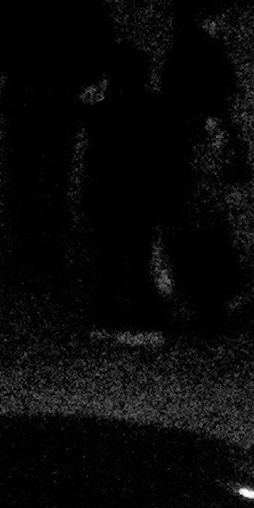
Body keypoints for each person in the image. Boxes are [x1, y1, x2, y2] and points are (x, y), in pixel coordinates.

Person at [0, 0, 111, 274]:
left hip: (24, 94)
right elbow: (101, 47)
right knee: (57, 168)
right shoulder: (84, 0)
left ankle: (25, 236)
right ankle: (51, 239)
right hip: (63, 96)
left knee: (23, 167)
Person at [157, 0, 246, 332]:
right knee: (208, 225)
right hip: (201, 147)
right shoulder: (205, 54)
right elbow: (217, 99)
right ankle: (213, 301)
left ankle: (195, 299)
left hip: (183, 150)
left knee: (191, 226)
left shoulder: (179, 54)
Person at [73, 43, 169, 342]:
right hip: (143, 192)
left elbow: (90, 154)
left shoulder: (101, 110)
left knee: (109, 260)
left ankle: (106, 321)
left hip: (110, 193)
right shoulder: (154, 107)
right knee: (140, 258)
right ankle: (145, 324)